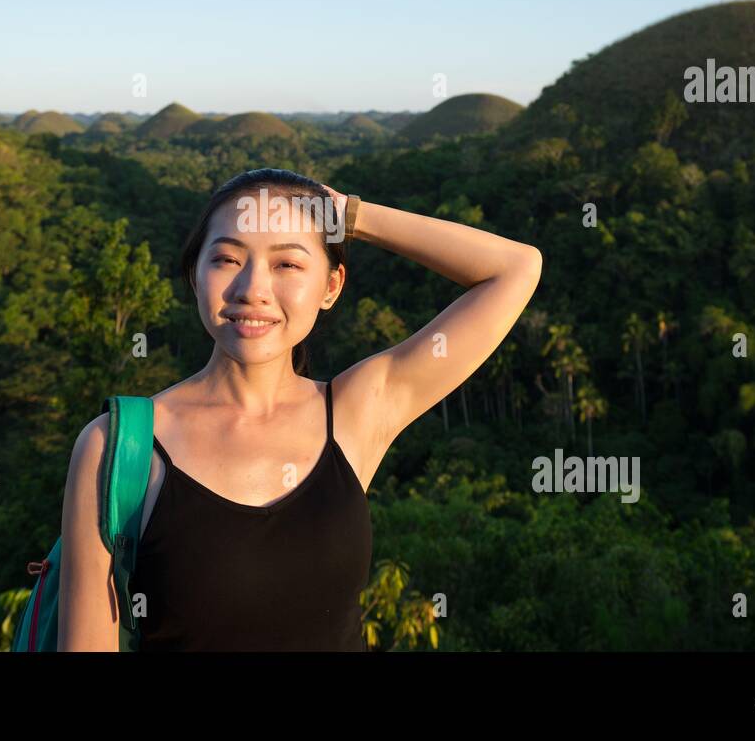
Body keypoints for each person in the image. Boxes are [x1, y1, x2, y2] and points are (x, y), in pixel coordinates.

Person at [57, 168, 543, 650]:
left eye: (287, 265)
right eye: (227, 258)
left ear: (331, 286)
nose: (253, 288)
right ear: (194, 274)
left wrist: (352, 216)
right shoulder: (118, 447)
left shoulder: (357, 412)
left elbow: (515, 268)